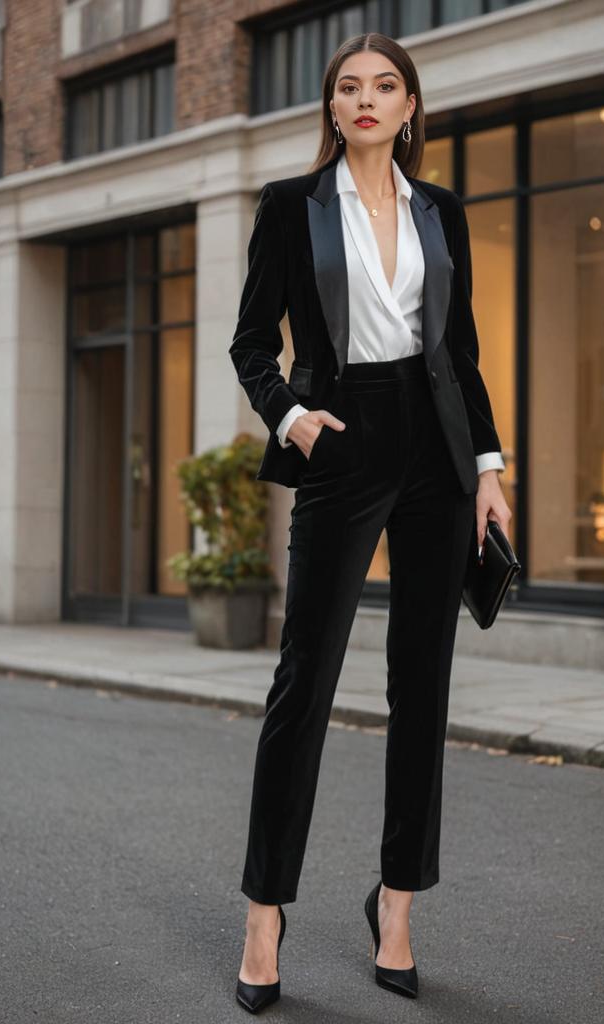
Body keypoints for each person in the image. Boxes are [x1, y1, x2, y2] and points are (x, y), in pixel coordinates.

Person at [228, 31, 512, 1014]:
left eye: (383, 86)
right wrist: (292, 415)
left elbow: (460, 352)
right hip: (341, 448)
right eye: (348, 86)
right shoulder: (290, 209)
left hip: (435, 455)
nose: (364, 99)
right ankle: (265, 912)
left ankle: (395, 904)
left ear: (409, 106)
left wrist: (488, 467)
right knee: (304, 681)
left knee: (420, 688)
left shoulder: (442, 212)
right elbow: (250, 339)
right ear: (331, 105)